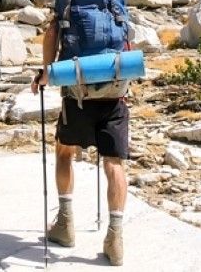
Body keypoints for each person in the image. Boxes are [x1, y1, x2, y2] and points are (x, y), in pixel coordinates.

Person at [32, 17, 130, 266]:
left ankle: (65, 224)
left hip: (77, 94)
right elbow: (124, 36)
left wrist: (47, 72)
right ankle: (115, 238)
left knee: (64, 153)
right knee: (114, 163)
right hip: (114, 93)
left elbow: (53, 30)